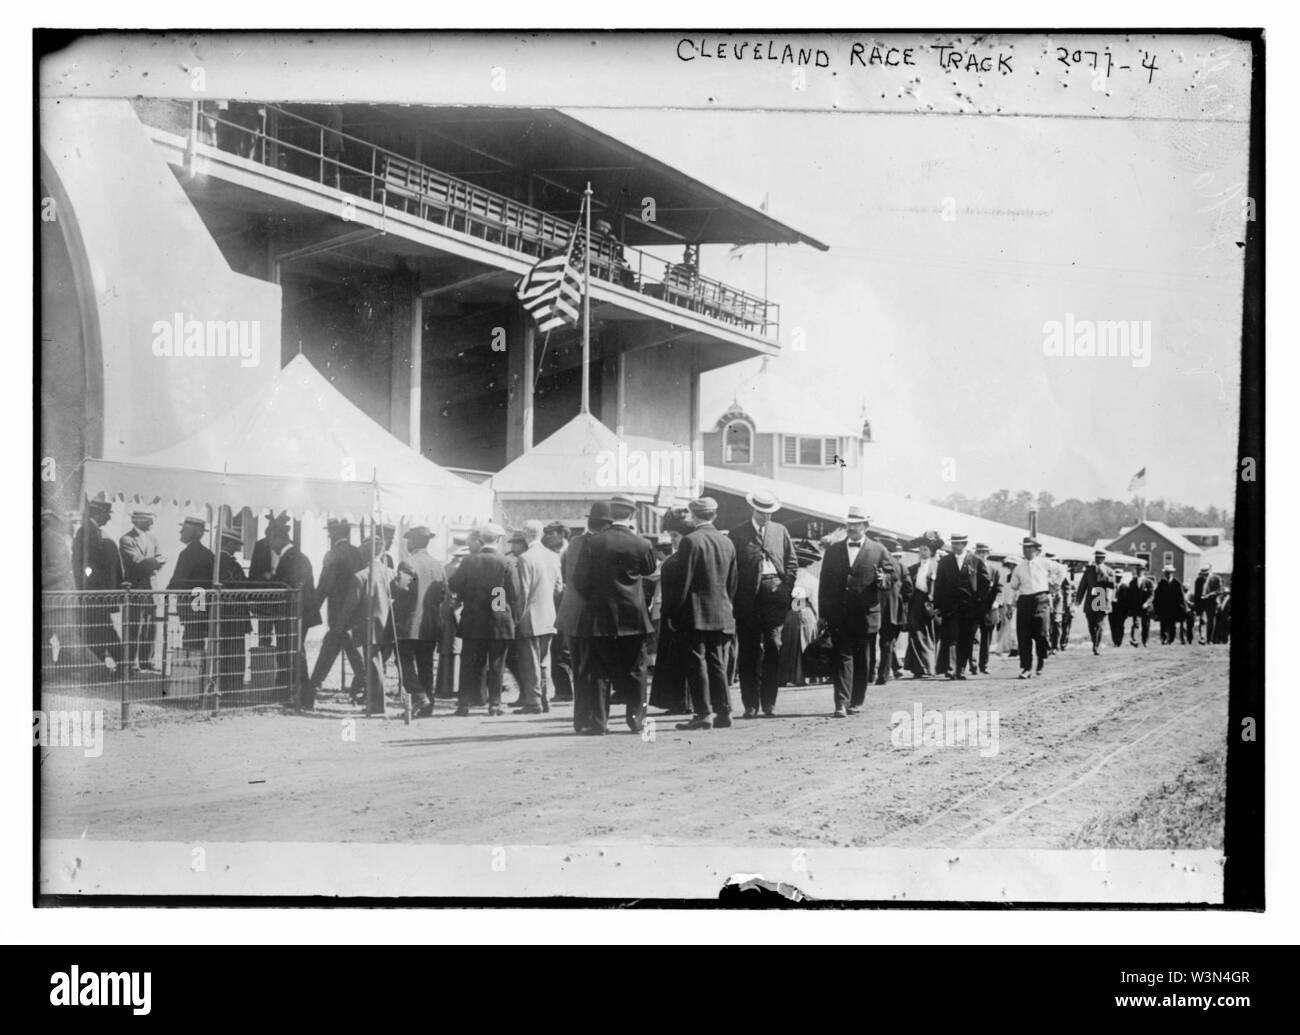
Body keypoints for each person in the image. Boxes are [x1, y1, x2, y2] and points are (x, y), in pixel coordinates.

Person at [574, 495, 657, 734]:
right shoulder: (642, 544)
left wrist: (595, 598)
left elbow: (579, 580)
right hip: (634, 617)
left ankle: (599, 722)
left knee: (598, 670)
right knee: (636, 670)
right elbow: (649, 569)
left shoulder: (593, 543)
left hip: (600, 617)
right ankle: (637, 721)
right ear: (631, 515)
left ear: (610, 515)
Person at [663, 497, 738, 731]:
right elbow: (733, 582)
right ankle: (724, 711)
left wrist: (673, 613)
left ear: (694, 517)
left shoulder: (690, 542)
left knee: (697, 663)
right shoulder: (727, 542)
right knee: (717, 663)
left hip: (694, 613)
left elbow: (682, 583)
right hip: (721, 610)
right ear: (714, 516)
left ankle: (703, 712)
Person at [818, 505, 896, 717]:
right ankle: (841, 703)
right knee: (841, 656)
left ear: (866, 526)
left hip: (866, 614)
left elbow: (892, 576)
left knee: (862, 659)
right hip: (838, 615)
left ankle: (856, 700)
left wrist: (884, 579)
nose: (851, 528)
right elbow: (824, 584)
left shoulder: (878, 550)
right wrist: (822, 615)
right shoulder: (833, 551)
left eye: (856, 525)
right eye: (849, 524)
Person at [727, 490, 798, 719]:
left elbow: (792, 562)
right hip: (747, 600)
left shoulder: (780, 531)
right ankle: (750, 704)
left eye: (769, 513)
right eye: (761, 512)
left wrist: (786, 587)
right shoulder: (737, 533)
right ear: (753, 510)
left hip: (775, 597)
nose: (765, 517)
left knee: (773, 647)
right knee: (748, 651)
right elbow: (731, 568)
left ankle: (769, 703)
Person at [450, 523, 517, 716]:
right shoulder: (507, 562)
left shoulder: (469, 561)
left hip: (473, 620)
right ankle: (494, 704)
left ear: (481, 540)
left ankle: (464, 703)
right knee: (497, 664)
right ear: (498, 540)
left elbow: (454, 584)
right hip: (499, 621)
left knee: (469, 663)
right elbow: (514, 593)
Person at [556, 503, 612, 732]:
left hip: (571, 614)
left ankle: (581, 720)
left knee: (580, 670)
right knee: (597, 669)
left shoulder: (575, 544)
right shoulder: (597, 545)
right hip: (591, 614)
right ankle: (597, 719)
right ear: (606, 524)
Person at [308, 519, 367, 700]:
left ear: (334, 534)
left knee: (332, 647)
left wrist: (312, 610)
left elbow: (325, 586)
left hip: (337, 612)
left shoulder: (332, 554)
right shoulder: (357, 554)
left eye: (330, 532)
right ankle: (368, 685)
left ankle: (311, 689)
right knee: (347, 649)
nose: (328, 535)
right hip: (354, 612)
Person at [391, 525, 446, 717]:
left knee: (403, 661)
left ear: (412, 541)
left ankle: (419, 695)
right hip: (430, 624)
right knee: (426, 665)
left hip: (409, 623)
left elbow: (400, 591)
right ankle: (427, 707)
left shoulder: (407, 563)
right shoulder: (438, 565)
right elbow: (443, 594)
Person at [265, 520, 321, 707]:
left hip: (296, 613)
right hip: (293, 612)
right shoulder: (294, 556)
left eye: (271, 540)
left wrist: (272, 581)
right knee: (289, 650)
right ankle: (287, 691)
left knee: (294, 651)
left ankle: (304, 695)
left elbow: (292, 584)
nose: (270, 546)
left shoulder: (294, 558)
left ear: (278, 538)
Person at [511, 519, 564, 714]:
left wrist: (517, 617)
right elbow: (559, 587)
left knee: (529, 662)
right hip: (549, 615)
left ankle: (533, 701)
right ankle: (545, 696)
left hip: (530, 616)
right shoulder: (552, 556)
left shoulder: (525, 558)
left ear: (525, 535)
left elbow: (523, 592)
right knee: (544, 661)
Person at [73, 498, 126, 673]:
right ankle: (113, 667)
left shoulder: (92, 531)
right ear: (98, 513)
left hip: (96, 595)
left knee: (99, 630)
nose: (109, 518)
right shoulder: (87, 532)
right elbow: (83, 565)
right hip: (94, 594)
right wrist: (91, 584)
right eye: (107, 514)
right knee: (100, 630)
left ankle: (104, 667)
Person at [649, 509, 694, 714]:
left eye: (675, 536)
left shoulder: (683, 559)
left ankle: (684, 701)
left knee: (681, 659)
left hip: (678, 614)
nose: (673, 540)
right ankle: (678, 700)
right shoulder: (675, 559)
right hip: (672, 613)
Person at [933, 533, 990, 682]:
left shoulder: (976, 561)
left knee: (966, 639)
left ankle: (961, 669)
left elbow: (985, 583)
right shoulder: (945, 561)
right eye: (953, 544)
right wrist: (938, 606)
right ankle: (951, 668)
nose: (954, 546)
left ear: (964, 544)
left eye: (958, 544)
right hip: (950, 607)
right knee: (951, 637)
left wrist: (980, 601)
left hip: (970, 608)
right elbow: (939, 584)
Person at [118, 508, 166, 672]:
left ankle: (147, 660)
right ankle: (132, 662)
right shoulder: (126, 539)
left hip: (152, 589)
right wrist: (155, 562)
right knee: (135, 627)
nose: (152, 522)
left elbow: (158, 559)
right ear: (136, 520)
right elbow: (136, 562)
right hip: (136, 590)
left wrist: (153, 563)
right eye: (148, 519)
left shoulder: (153, 538)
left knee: (151, 627)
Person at [168, 515, 216, 650]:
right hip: (200, 599)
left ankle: (191, 666)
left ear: (194, 532)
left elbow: (178, 578)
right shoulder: (207, 553)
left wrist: (168, 591)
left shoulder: (187, 553)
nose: (180, 532)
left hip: (191, 600)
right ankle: (196, 664)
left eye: (184, 529)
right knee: (196, 633)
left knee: (191, 634)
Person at [214, 524, 251, 696]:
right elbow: (242, 586)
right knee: (234, 653)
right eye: (236, 545)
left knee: (225, 651)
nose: (237, 549)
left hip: (226, 615)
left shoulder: (219, 562)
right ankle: (233, 688)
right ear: (228, 544)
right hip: (234, 615)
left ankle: (226, 686)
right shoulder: (228, 563)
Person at [1008, 537, 1052, 679]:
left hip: (1041, 600)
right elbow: (1013, 586)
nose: (1026, 550)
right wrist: (1010, 604)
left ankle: (1041, 659)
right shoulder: (1019, 568)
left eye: (1030, 548)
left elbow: (1061, 571)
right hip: (1025, 601)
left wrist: (1054, 586)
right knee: (1024, 636)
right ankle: (1026, 667)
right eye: (1024, 548)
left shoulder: (1045, 563)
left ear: (1036, 550)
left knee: (1041, 634)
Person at [542, 521, 574, 701]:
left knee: (564, 649)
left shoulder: (570, 553)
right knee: (558, 649)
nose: (547, 536)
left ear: (562, 534)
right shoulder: (548, 554)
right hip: (553, 606)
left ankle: (567, 691)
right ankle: (563, 690)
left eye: (551, 533)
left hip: (568, 605)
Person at [904, 532, 942, 678]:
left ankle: (929, 667)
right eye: (920, 550)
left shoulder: (937, 567)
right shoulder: (913, 568)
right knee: (915, 634)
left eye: (925, 549)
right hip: (916, 603)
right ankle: (917, 668)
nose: (922, 552)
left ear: (931, 551)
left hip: (930, 604)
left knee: (928, 635)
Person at [875, 547, 910, 684]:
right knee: (887, 643)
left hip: (873, 608)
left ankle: (871, 673)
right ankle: (883, 675)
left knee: (872, 642)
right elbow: (908, 589)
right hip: (892, 611)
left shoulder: (873, 563)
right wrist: (899, 601)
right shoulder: (901, 567)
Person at [1075, 549, 1116, 655]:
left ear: (1104, 559)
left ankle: (1096, 646)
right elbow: (1082, 587)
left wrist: (1104, 575)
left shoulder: (1109, 571)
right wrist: (1077, 602)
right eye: (1096, 557)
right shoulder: (1089, 571)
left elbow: (1113, 585)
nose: (1098, 559)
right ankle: (1094, 641)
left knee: (1099, 624)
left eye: (1100, 558)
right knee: (1091, 624)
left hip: (1102, 599)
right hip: (1090, 601)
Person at [974, 544, 1003, 675]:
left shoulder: (994, 570)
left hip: (989, 609)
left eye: (984, 552)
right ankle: (972, 663)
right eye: (979, 552)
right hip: (974, 607)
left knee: (986, 638)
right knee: (972, 637)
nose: (981, 554)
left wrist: (997, 602)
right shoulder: (971, 568)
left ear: (988, 554)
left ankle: (983, 665)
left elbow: (999, 589)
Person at [1153, 564, 1184, 644]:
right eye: (1167, 573)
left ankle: (1171, 639)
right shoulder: (1161, 583)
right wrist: (1156, 608)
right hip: (1163, 608)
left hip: (1174, 608)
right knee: (1163, 624)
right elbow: (1157, 596)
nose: (1168, 574)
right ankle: (1164, 638)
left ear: (1172, 573)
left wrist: (1181, 607)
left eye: (1170, 573)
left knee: (1172, 624)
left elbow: (1181, 597)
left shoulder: (1177, 583)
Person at [1194, 565, 1224, 644]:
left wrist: (1209, 595)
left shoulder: (1216, 579)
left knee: (1211, 621)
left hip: (1212, 602)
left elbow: (1220, 591)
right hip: (1202, 602)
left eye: (1206, 574)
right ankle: (1202, 638)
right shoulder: (1198, 580)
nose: (1205, 576)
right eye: (1203, 574)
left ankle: (1209, 639)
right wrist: (1196, 607)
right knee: (1202, 621)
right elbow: (1196, 594)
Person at [1128, 563, 1155, 646]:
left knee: (1145, 624)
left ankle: (1145, 641)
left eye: (1141, 570)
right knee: (1135, 623)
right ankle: (1135, 640)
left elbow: (1151, 595)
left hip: (1145, 607)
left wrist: (1147, 603)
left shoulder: (1148, 582)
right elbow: (1130, 595)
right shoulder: (1132, 582)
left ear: (1144, 571)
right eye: (1138, 570)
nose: (1139, 572)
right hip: (1136, 607)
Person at [1109, 568, 1131, 647]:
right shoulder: (1110, 586)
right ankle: (1115, 641)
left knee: (1120, 625)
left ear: (1122, 578)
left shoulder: (1125, 587)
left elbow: (1128, 600)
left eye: (1119, 577)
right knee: (1112, 625)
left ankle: (1119, 641)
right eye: (1117, 577)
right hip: (1112, 608)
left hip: (1121, 610)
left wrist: (1127, 611)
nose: (1118, 578)